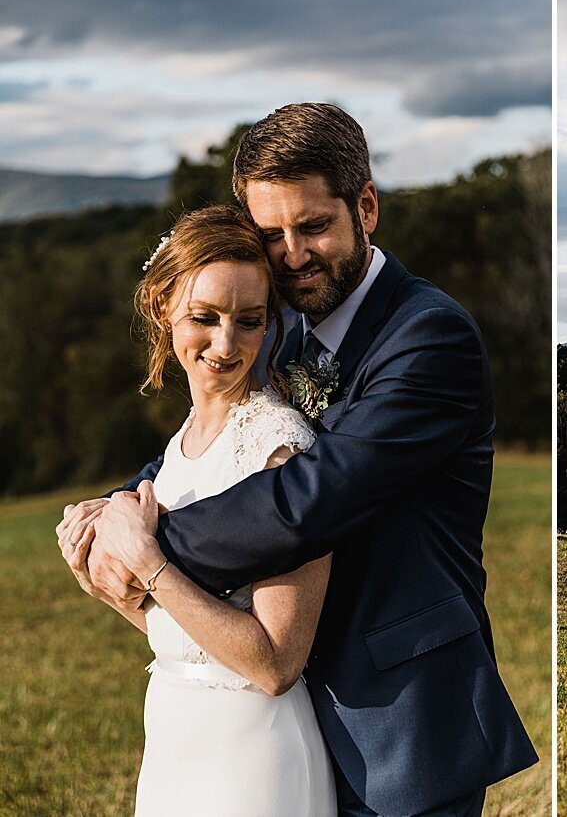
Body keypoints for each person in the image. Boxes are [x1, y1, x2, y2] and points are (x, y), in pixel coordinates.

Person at [64, 102, 535, 816]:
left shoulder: (431, 337)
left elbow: (307, 501)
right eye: (271, 233)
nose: (290, 253)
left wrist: (143, 547)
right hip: (286, 715)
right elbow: (215, 445)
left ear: (366, 208)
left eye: (313, 225)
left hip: (400, 719)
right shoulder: (276, 330)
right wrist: (114, 508)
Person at [58, 206, 333, 814]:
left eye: (250, 320)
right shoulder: (179, 446)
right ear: (163, 309)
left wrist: (146, 562)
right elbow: (188, 640)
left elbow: (276, 663)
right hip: (176, 733)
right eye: (204, 318)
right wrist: (102, 586)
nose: (226, 343)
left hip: (254, 755)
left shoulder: (277, 445)